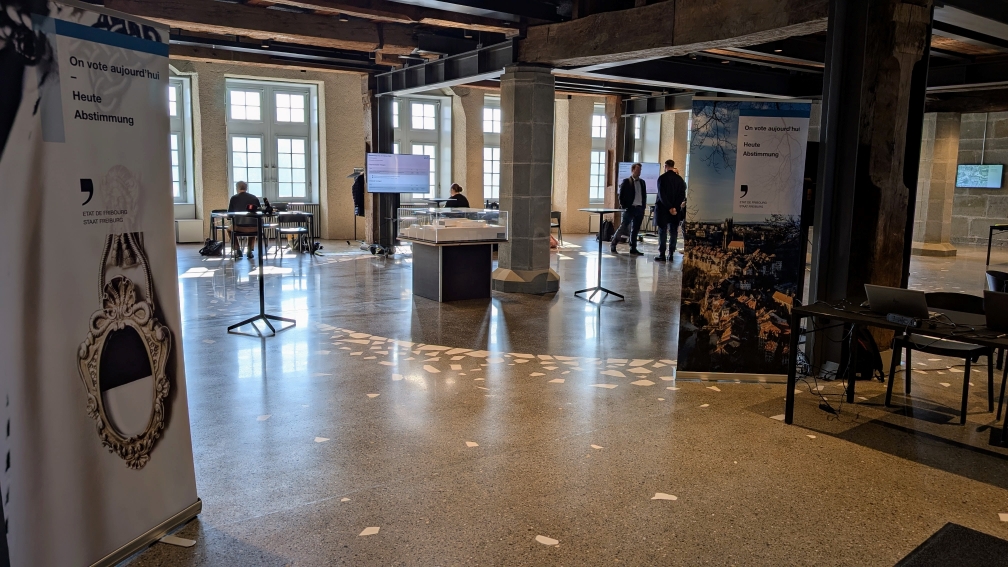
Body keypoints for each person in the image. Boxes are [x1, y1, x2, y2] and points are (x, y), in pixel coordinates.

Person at [654, 159, 687, 262]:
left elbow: (661, 195)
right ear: (673, 166)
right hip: (675, 211)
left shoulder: (662, 178)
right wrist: (674, 207)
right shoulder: (680, 180)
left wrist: (669, 207)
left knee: (662, 232)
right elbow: (682, 195)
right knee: (673, 232)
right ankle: (671, 254)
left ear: (665, 166)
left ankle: (662, 254)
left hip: (663, 210)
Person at [610, 162, 646, 255]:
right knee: (623, 227)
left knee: (635, 229)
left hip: (639, 209)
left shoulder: (642, 182)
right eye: (637, 170)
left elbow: (644, 195)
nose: (639, 172)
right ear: (633, 170)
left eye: (640, 170)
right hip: (630, 208)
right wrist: (624, 205)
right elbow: (621, 195)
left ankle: (633, 248)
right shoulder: (626, 181)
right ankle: (614, 243)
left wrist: (643, 207)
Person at [228, 181, 261, 259]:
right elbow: (259, 212)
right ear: (246, 188)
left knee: (229, 229)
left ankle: (237, 249)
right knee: (254, 223)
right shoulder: (254, 198)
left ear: (237, 188)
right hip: (254, 228)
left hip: (239, 227)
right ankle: (250, 250)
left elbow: (229, 215)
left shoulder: (234, 198)